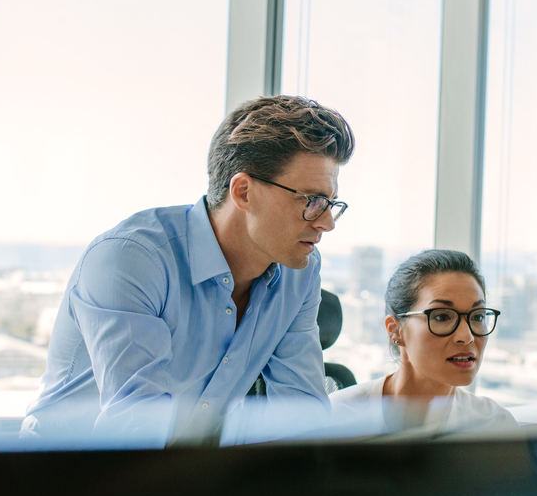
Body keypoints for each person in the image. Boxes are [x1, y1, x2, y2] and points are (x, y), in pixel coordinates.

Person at [21, 96, 354, 445]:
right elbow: (137, 427)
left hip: (185, 479)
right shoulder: (133, 258)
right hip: (64, 481)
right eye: (312, 202)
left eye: (331, 204)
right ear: (243, 192)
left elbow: (301, 417)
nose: (327, 223)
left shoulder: (298, 270)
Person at [329, 249, 516, 433]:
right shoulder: (337, 417)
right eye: (442, 317)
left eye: (478, 317)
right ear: (395, 330)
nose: (466, 337)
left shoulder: (495, 425)